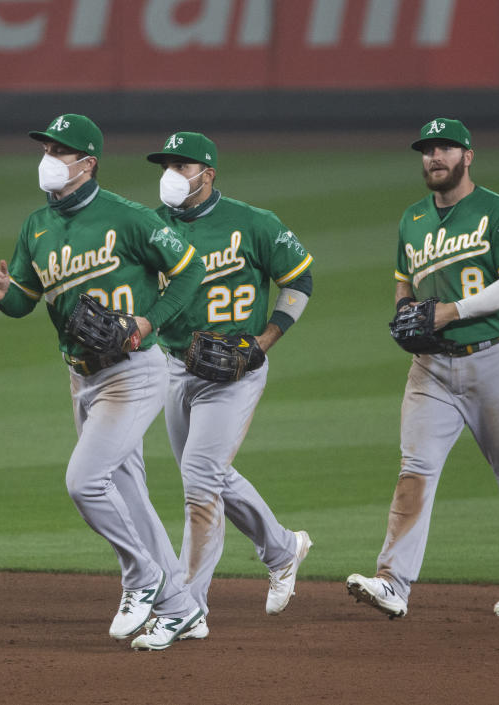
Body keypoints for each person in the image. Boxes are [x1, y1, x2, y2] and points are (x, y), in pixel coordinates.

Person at [0, 114, 209, 651]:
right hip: (80, 379)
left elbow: (190, 269)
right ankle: (182, 608)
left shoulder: (127, 217)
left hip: (133, 372)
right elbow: (24, 300)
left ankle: (142, 578)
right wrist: (2, 294)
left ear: (88, 162)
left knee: (85, 481)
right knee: (129, 495)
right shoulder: (35, 226)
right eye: (45, 149)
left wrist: (149, 322)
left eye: (61, 151)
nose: (49, 160)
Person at [345, 118, 499, 618]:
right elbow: (404, 281)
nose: (435, 157)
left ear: (468, 156)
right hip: (430, 369)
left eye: (446, 149)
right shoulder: (412, 218)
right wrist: (404, 309)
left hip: (492, 361)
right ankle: (392, 582)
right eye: (428, 150)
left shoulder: (498, 212)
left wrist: (450, 311)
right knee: (413, 471)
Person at [141, 131, 314, 632]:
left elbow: (299, 279)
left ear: (208, 174)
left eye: (183, 165)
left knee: (199, 479)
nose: (171, 174)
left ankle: (187, 604)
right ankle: (283, 549)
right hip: (175, 366)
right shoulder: (153, 228)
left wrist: (265, 340)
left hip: (236, 369)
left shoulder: (253, 223)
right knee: (208, 476)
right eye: (167, 164)